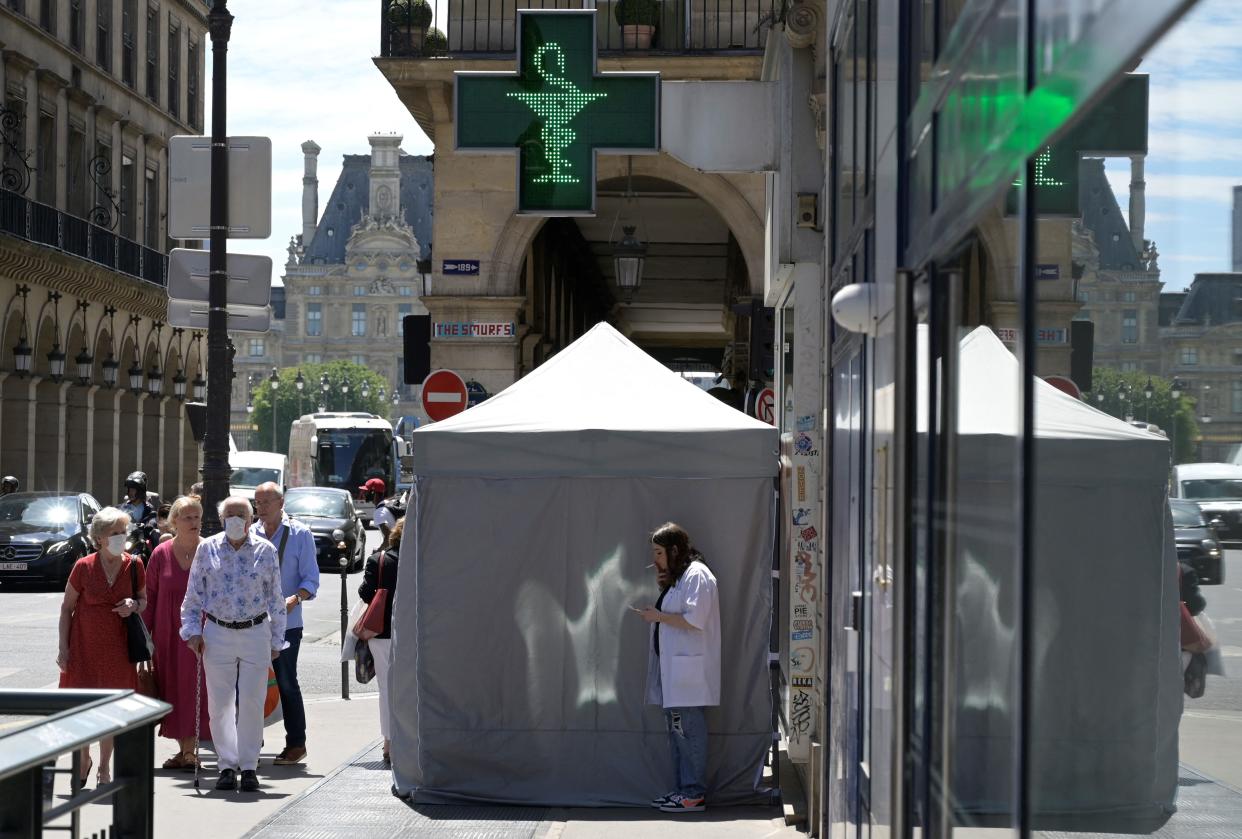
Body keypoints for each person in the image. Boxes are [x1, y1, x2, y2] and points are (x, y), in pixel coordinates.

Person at [181, 497, 286, 793]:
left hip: (255, 631)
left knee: (252, 701)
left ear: (251, 519)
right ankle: (227, 764)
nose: (235, 519)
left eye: (241, 514)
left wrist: (278, 639)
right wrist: (191, 631)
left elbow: (276, 599)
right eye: (229, 514)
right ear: (221, 518)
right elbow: (193, 596)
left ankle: (249, 765)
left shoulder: (265, 551)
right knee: (221, 703)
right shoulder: (208, 548)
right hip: (218, 631)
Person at [633, 522, 720, 814]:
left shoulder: (697, 575)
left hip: (689, 674)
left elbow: (695, 619)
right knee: (678, 733)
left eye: (659, 552)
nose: (654, 559)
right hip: (677, 673)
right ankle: (683, 790)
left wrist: (658, 616)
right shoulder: (681, 577)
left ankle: (693, 793)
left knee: (688, 731)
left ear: (673, 550)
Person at [57, 507, 147, 787]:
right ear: (100, 538)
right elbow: (66, 609)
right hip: (83, 647)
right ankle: (83, 758)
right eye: (114, 533)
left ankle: (105, 767)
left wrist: (133, 605)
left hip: (119, 650)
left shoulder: (134, 565)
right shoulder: (84, 566)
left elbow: (143, 601)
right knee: (82, 707)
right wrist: (63, 648)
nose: (121, 537)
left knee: (112, 709)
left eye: (123, 532)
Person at [251, 481, 319, 766]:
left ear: (281, 503)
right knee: (250, 683)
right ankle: (251, 740)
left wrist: (295, 599)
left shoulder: (299, 534)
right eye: (258, 502)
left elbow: (310, 579)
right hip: (251, 623)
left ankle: (296, 743)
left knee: (286, 682)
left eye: (267, 502)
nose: (261, 508)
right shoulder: (249, 533)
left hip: (287, 623)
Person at [141, 496, 212, 770]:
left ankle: (191, 750)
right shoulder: (161, 553)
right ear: (175, 522)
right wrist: (144, 639)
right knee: (172, 688)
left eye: (197, 517)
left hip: (200, 634)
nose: (195, 522)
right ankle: (184, 751)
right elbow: (150, 595)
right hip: (167, 634)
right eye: (188, 518)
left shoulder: (210, 549)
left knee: (197, 690)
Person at [359, 516, 403, 765]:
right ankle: (410, 739)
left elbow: (365, 593)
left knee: (386, 691)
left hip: (381, 633)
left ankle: (389, 742)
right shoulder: (421, 561)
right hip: (413, 635)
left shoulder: (379, 560)